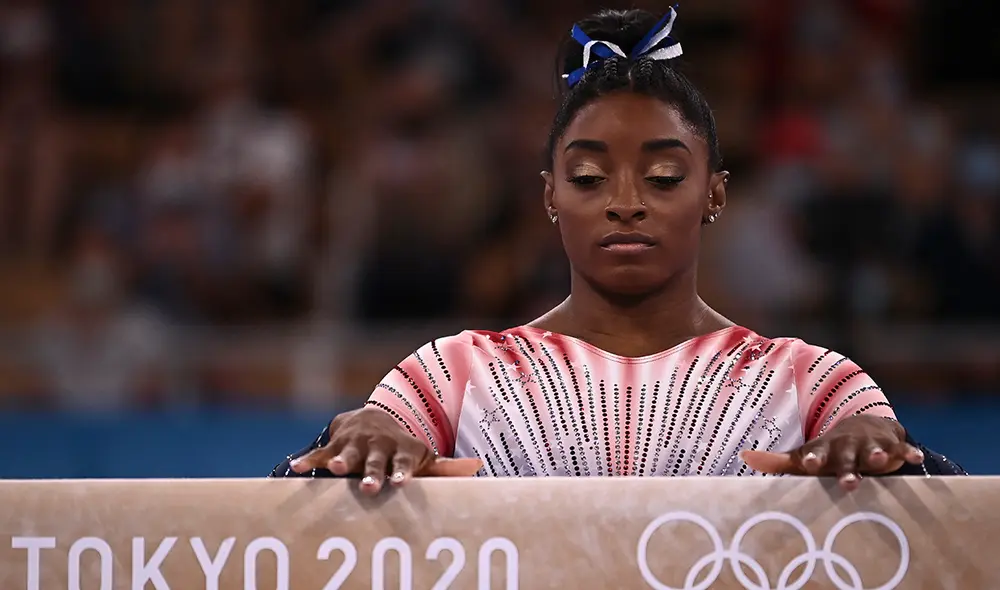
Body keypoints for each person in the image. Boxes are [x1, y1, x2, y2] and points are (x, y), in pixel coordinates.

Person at [270, 7, 966, 493]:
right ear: (550, 196)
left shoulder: (809, 380)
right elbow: (298, 503)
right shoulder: (454, 374)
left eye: (663, 175)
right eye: (588, 176)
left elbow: (950, 509)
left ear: (715, 194)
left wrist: (892, 462)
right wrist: (349, 443)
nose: (626, 200)